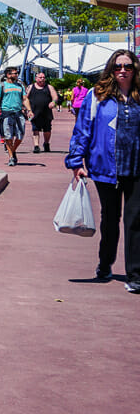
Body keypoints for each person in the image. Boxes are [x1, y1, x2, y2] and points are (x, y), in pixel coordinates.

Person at [66, 49, 140, 292]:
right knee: (110, 218)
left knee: (135, 220)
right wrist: (76, 162)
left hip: (136, 167)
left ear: (134, 69)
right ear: (111, 69)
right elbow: (82, 129)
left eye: (127, 66)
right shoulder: (97, 96)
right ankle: (105, 263)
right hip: (105, 168)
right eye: (118, 66)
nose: (122, 70)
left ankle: (135, 275)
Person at [0, 66, 31, 166]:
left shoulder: (20, 86)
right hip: (6, 114)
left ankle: (12, 151)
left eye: (17, 73)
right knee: (8, 136)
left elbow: (25, 99)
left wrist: (29, 110)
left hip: (19, 113)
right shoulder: (2, 86)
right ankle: (11, 157)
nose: (17, 75)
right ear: (8, 75)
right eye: (15, 73)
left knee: (20, 136)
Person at [26, 71, 59, 153]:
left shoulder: (49, 87)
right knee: (35, 129)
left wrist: (53, 102)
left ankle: (46, 143)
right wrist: (26, 108)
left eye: (43, 77)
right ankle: (36, 146)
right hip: (34, 112)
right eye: (40, 77)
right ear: (36, 78)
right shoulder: (30, 87)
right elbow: (25, 98)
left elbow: (55, 97)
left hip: (46, 112)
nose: (42, 79)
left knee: (47, 130)